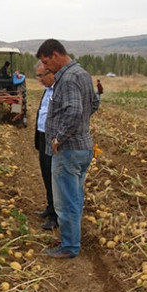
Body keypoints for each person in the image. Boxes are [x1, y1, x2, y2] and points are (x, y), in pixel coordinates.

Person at [36, 39, 100, 259]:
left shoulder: (68, 78)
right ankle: (69, 237)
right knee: (76, 197)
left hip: (69, 150)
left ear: (55, 55)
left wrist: (58, 138)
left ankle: (70, 246)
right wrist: (80, 125)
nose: (46, 67)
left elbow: (73, 112)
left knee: (65, 202)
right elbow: (93, 104)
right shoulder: (82, 73)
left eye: (46, 61)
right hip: (83, 148)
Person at [33, 60, 58, 231]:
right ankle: (50, 208)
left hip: (53, 139)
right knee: (46, 175)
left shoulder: (59, 91)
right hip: (43, 136)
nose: (40, 79)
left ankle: (55, 216)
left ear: (52, 73)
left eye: (42, 75)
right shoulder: (47, 90)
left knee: (53, 177)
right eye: (38, 76)